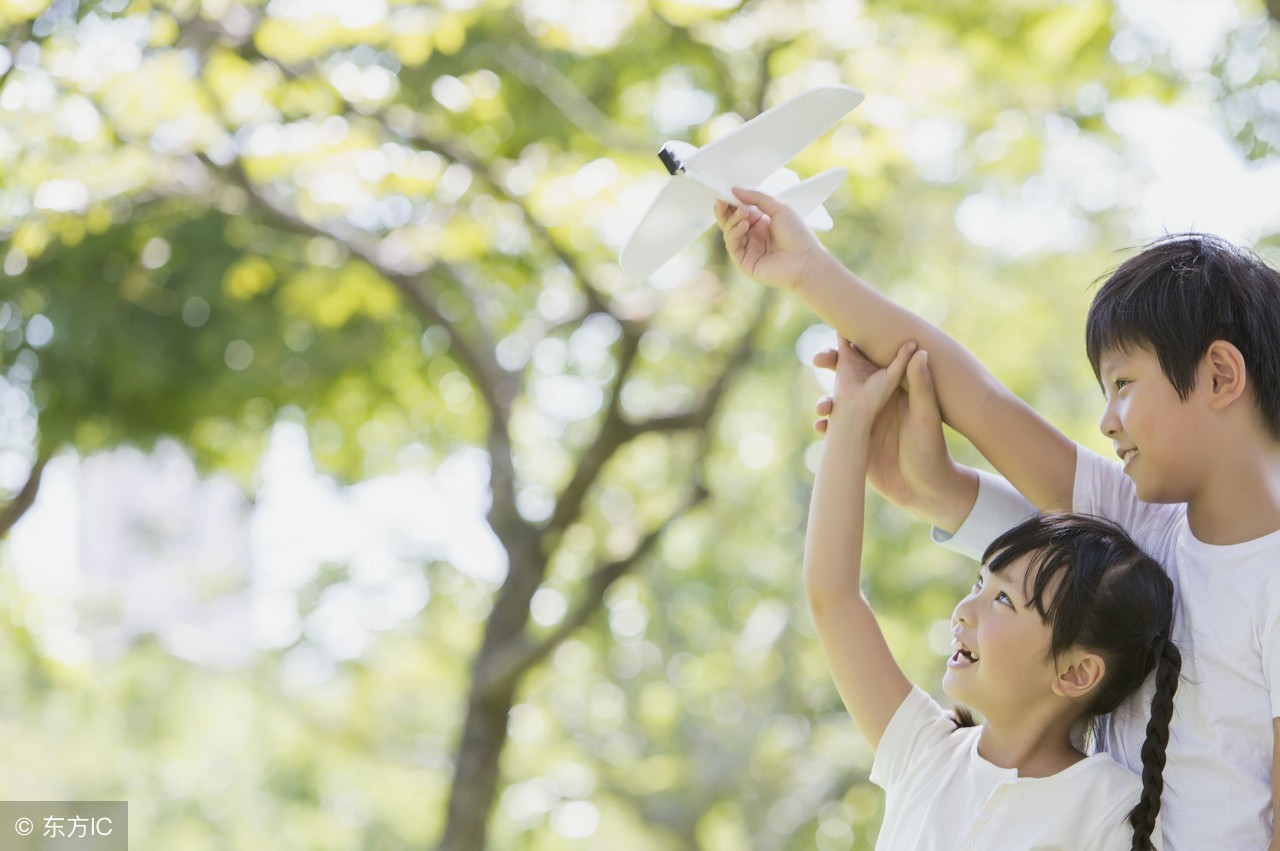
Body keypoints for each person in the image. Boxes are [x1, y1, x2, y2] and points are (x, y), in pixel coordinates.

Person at [716, 190, 1280, 850]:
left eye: (1123, 384)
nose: (1106, 421)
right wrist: (810, 270)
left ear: (1219, 375)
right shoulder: (1142, 518)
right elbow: (979, 400)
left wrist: (937, 489)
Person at [805, 336, 1178, 850]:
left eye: (1003, 599)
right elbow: (833, 594)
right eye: (979, 584)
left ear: (1075, 672)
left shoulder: (1109, 811)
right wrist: (851, 413)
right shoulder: (926, 752)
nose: (964, 610)